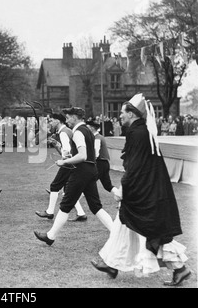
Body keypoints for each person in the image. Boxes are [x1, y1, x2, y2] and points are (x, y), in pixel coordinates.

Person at [91, 94, 191, 286]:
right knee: (125, 223)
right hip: (146, 188)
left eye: (122, 113)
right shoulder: (141, 131)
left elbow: (135, 166)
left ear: (132, 114)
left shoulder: (138, 134)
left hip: (143, 191)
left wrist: (123, 188)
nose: (120, 116)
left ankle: (180, 268)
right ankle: (111, 264)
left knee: (149, 230)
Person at [34, 107, 114, 246]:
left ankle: (50, 236)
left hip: (81, 171)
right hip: (91, 170)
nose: (67, 120)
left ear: (76, 117)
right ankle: (116, 233)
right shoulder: (88, 131)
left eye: (69, 117)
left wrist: (64, 161)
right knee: (95, 206)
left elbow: (82, 155)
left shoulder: (78, 132)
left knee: (66, 204)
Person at [36, 113, 87, 221]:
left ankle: (49, 212)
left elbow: (67, 150)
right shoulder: (67, 131)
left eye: (51, 121)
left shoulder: (63, 133)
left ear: (58, 121)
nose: (50, 123)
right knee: (68, 189)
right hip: (73, 163)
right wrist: (57, 144)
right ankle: (81, 213)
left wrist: (64, 161)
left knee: (55, 186)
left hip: (69, 163)